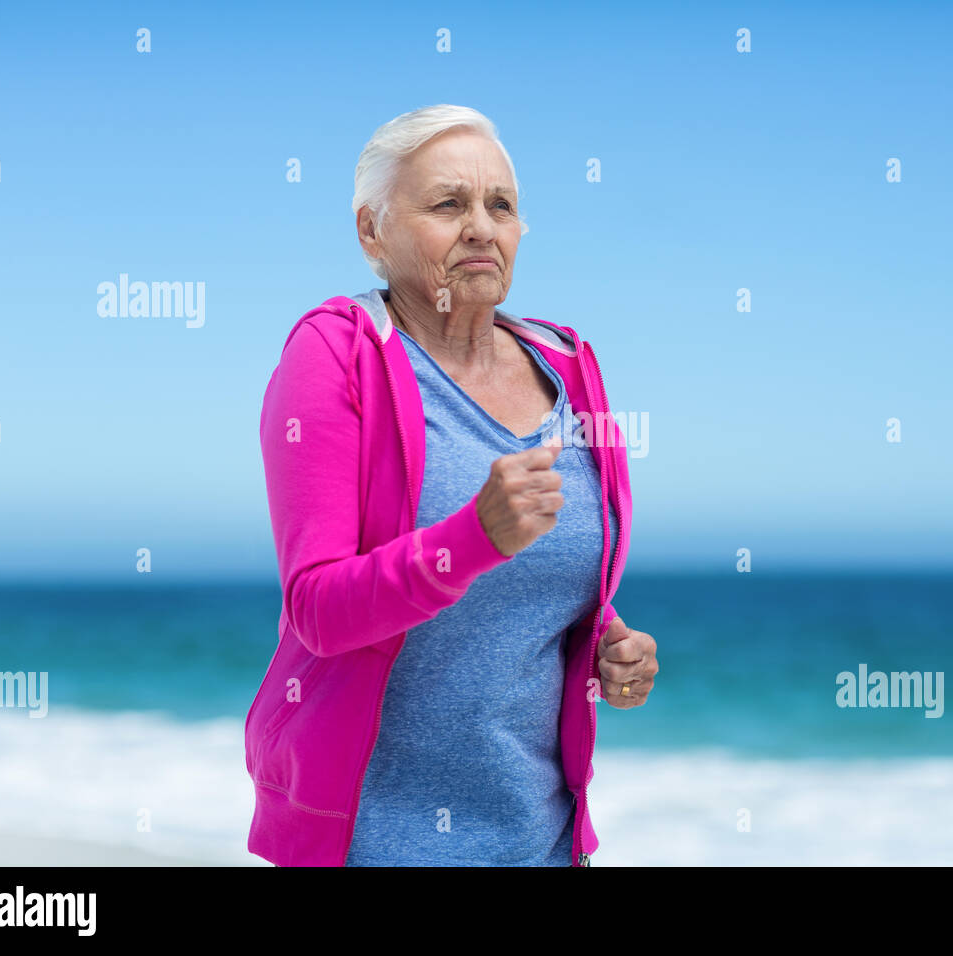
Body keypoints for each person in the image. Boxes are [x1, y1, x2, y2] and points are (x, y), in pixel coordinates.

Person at [245, 104, 656, 866]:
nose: (481, 227)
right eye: (447, 205)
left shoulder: (569, 365)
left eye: (500, 206)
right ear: (372, 232)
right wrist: (474, 538)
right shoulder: (336, 357)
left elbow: (545, 580)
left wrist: (606, 645)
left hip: (544, 840)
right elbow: (319, 611)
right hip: (372, 842)